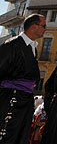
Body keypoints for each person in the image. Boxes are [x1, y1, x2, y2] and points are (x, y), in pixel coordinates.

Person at [0, 14, 46, 144]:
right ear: (34, 26)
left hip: (24, 100)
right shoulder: (12, 45)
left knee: (21, 135)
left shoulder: (32, 48)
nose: (45, 29)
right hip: (11, 99)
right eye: (44, 26)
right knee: (8, 134)